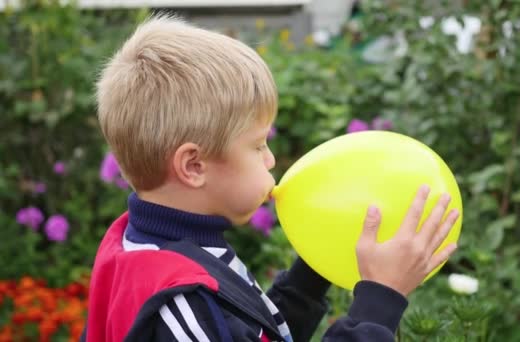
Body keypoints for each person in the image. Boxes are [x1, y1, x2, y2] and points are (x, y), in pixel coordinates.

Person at [82, 14, 459, 342]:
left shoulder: (156, 244)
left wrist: (308, 277)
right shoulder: (179, 305)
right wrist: (379, 302)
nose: (271, 158)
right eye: (258, 145)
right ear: (194, 166)